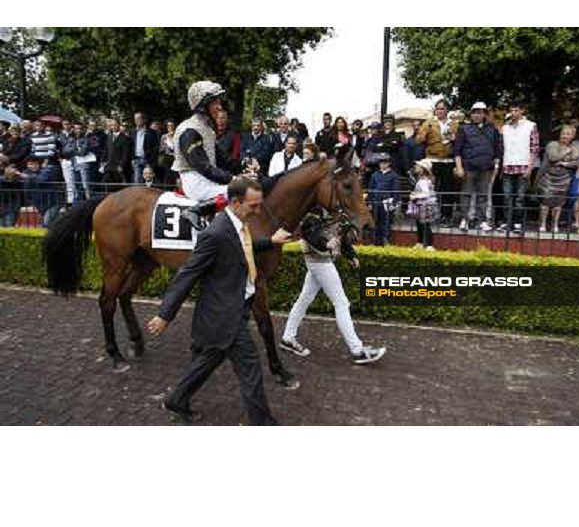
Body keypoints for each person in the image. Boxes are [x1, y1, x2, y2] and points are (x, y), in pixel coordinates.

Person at [146, 177, 292, 425]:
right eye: (254, 206)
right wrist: (164, 315)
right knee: (251, 368)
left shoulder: (237, 224)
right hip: (225, 314)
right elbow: (188, 274)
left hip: (234, 309)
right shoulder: (215, 233)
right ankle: (263, 423)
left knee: (209, 359)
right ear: (235, 202)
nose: (258, 211)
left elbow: (240, 247)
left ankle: (176, 399)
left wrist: (271, 241)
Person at [280, 204, 387, 364]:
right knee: (341, 303)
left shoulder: (332, 211)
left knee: (304, 299)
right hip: (320, 263)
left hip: (320, 262)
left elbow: (341, 236)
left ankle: (288, 337)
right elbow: (311, 234)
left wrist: (351, 255)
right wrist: (326, 243)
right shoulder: (313, 212)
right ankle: (357, 351)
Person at [173, 81, 234, 230]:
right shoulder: (189, 130)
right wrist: (232, 179)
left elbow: (223, 159)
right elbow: (203, 167)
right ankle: (195, 211)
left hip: (206, 177)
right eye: (215, 102)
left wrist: (245, 165)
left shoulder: (207, 128)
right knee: (241, 190)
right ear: (202, 105)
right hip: (195, 181)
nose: (219, 106)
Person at [454, 102, 502, 232]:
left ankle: (482, 221)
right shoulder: (464, 128)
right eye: (474, 112)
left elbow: (497, 149)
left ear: (484, 114)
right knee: (466, 194)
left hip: (487, 168)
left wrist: (496, 166)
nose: (476, 115)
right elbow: (457, 150)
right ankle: (465, 219)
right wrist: (459, 167)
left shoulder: (492, 129)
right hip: (468, 167)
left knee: (483, 195)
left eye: (480, 112)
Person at [498, 101, 539, 235]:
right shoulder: (505, 128)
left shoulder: (531, 126)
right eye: (511, 110)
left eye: (516, 110)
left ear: (522, 111)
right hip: (508, 166)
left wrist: (530, 168)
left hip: (523, 166)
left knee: (520, 198)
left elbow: (534, 148)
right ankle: (507, 222)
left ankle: (518, 223)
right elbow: (502, 149)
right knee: (507, 196)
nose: (513, 113)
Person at [416, 99, 459, 225]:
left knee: (447, 190)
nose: (439, 111)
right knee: (430, 188)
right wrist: (424, 133)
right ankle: (429, 215)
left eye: (442, 108)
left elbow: (460, 142)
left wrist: (454, 138)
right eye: (438, 108)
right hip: (432, 160)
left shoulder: (454, 124)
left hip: (448, 160)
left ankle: (446, 216)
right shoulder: (428, 123)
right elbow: (417, 141)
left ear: (446, 110)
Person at [535, 125, 579, 233]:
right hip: (548, 177)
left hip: (563, 179)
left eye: (568, 134)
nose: (565, 136)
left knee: (558, 204)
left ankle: (554, 224)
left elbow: (577, 162)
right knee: (545, 202)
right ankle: (542, 224)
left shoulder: (575, 147)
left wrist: (564, 163)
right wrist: (566, 152)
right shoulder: (552, 144)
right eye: (564, 133)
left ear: (573, 136)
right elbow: (553, 157)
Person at [367, 152, 401, 246]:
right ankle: (374, 242)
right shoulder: (375, 174)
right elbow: (371, 189)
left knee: (386, 223)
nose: (382, 164)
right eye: (381, 162)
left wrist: (393, 203)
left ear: (389, 163)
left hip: (387, 203)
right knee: (375, 223)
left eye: (385, 162)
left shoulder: (394, 175)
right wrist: (369, 202)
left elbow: (396, 190)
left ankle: (386, 241)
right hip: (375, 202)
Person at [409, 159, 439, 250]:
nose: (416, 167)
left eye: (418, 166)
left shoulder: (424, 181)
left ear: (423, 169)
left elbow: (426, 194)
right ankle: (420, 243)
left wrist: (415, 196)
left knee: (425, 225)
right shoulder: (422, 179)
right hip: (422, 205)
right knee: (420, 225)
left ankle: (429, 245)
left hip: (425, 205)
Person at [132, 111, 159, 184]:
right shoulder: (133, 132)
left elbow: (155, 147)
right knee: (137, 180)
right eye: (135, 119)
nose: (136, 120)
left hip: (148, 160)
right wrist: (132, 159)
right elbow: (131, 146)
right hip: (137, 160)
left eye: (138, 118)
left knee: (149, 181)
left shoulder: (151, 132)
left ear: (144, 120)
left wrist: (151, 159)